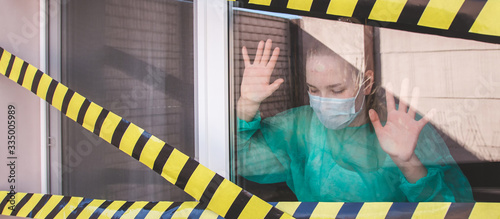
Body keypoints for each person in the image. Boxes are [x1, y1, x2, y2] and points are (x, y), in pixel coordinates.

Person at [236, 39, 474, 202]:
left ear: (366, 83)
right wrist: (247, 105)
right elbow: (241, 162)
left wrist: (408, 162)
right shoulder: (300, 127)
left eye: (336, 90)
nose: (323, 101)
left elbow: (454, 210)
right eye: (313, 90)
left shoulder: (403, 127)